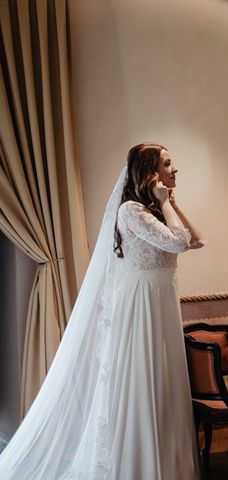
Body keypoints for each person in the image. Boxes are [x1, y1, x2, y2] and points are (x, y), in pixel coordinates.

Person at [0, 143, 205, 479]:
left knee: (163, 385)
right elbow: (179, 243)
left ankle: (168, 464)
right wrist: (167, 204)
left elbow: (196, 239)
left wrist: (173, 204)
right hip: (141, 307)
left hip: (159, 303)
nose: (175, 169)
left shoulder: (154, 211)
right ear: (150, 171)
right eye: (168, 163)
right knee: (144, 384)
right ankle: (138, 466)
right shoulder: (130, 212)